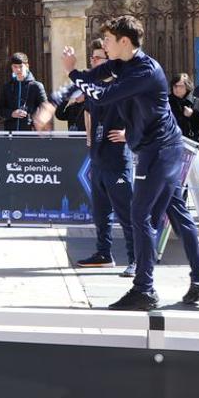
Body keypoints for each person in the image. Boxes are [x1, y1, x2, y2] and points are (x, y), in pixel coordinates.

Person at [35, 15, 199, 310]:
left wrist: (73, 73)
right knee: (177, 213)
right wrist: (52, 102)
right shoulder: (121, 65)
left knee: (139, 212)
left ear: (124, 42)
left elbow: (102, 95)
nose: (103, 44)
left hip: (162, 150)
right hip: (153, 149)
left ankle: (144, 289)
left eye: (108, 40)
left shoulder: (145, 71)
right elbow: (87, 80)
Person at [71, 42, 136, 272]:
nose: (93, 62)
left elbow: (145, 114)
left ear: (109, 61)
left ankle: (135, 260)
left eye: (98, 58)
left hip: (117, 160)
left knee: (126, 213)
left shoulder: (124, 86)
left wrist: (129, 133)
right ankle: (103, 253)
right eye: (92, 58)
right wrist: (89, 137)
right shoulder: (94, 86)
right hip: (97, 158)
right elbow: (88, 111)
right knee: (101, 213)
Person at [0, 52, 47, 132]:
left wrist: (33, 119)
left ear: (27, 66)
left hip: (31, 133)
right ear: (12, 68)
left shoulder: (37, 86)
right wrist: (12, 113)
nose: (18, 70)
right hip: (11, 132)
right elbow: (0, 109)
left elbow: (45, 108)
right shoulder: (7, 87)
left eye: (21, 66)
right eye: (15, 67)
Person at [169, 73, 199, 142]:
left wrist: (192, 115)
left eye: (181, 86)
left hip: (191, 144)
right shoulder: (166, 102)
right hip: (171, 143)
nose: (177, 89)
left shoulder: (196, 102)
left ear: (187, 86)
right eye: (175, 86)